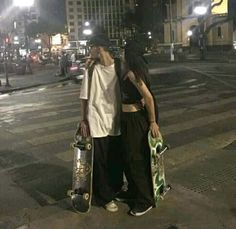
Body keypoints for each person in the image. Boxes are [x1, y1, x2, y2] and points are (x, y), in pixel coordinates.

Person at [78, 33, 123, 212]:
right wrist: (83, 120)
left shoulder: (119, 66)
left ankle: (115, 188)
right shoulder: (90, 69)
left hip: (116, 120)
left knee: (116, 159)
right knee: (100, 161)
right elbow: (84, 97)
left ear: (99, 48)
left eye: (91, 47)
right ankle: (105, 197)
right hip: (96, 120)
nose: (89, 50)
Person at [117, 40, 161, 216]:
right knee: (128, 157)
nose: (121, 53)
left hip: (136, 120)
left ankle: (145, 199)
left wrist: (152, 122)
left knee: (136, 160)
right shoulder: (126, 70)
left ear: (129, 55)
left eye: (124, 51)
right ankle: (133, 192)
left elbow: (148, 98)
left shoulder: (134, 74)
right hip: (127, 119)